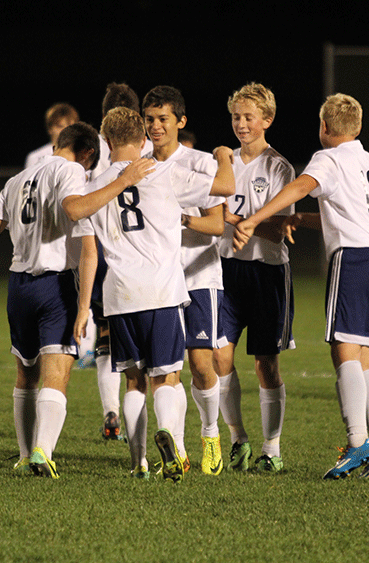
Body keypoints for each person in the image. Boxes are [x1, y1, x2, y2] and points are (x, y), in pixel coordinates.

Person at [0, 122, 153, 479]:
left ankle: (26, 454)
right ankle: (43, 451)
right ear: (88, 153)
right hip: (54, 286)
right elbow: (87, 246)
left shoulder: (18, 180)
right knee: (56, 375)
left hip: (18, 286)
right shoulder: (73, 171)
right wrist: (85, 306)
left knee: (25, 375)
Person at [234, 93, 369, 479]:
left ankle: (358, 444)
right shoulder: (368, 160)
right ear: (357, 128)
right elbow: (346, 212)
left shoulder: (328, 158)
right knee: (367, 358)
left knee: (343, 352)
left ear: (324, 127)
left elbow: (299, 187)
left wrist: (255, 217)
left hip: (354, 261)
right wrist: (299, 221)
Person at [73, 106, 234, 482]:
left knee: (133, 381)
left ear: (106, 140)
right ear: (143, 139)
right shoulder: (165, 172)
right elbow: (225, 187)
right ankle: (170, 440)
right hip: (161, 290)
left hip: (118, 294)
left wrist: (84, 305)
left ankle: (138, 461)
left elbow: (85, 241)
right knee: (166, 378)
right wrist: (225, 157)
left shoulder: (92, 185)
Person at [142, 85, 234, 476]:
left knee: (200, 364)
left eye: (163, 119)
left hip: (198, 274)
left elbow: (217, 223)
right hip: (159, 280)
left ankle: (210, 433)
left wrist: (179, 219)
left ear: (180, 121)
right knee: (166, 369)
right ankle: (176, 449)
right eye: (149, 119)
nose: (155, 126)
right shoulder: (140, 164)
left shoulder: (198, 163)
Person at [214, 83, 296, 473]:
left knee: (266, 363)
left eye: (249, 117)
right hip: (224, 271)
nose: (241, 124)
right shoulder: (223, 160)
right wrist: (228, 222)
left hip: (266, 274)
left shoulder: (279, 166)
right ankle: (237, 439)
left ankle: (272, 449)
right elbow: (214, 214)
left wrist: (247, 225)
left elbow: (280, 229)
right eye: (236, 117)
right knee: (219, 357)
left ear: (267, 120)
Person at [86, 83, 155, 442]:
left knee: (107, 337)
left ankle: (111, 409)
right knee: (151, 355)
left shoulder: (96, 152)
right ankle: (147, 428)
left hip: (102, 253)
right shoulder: (150, 154)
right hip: (149, 259)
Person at [24, 102, 79, 169]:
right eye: (60, 126)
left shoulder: (85, 154)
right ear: (49, 128)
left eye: (69, 126)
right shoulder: (35, 157)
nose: (65, 130)